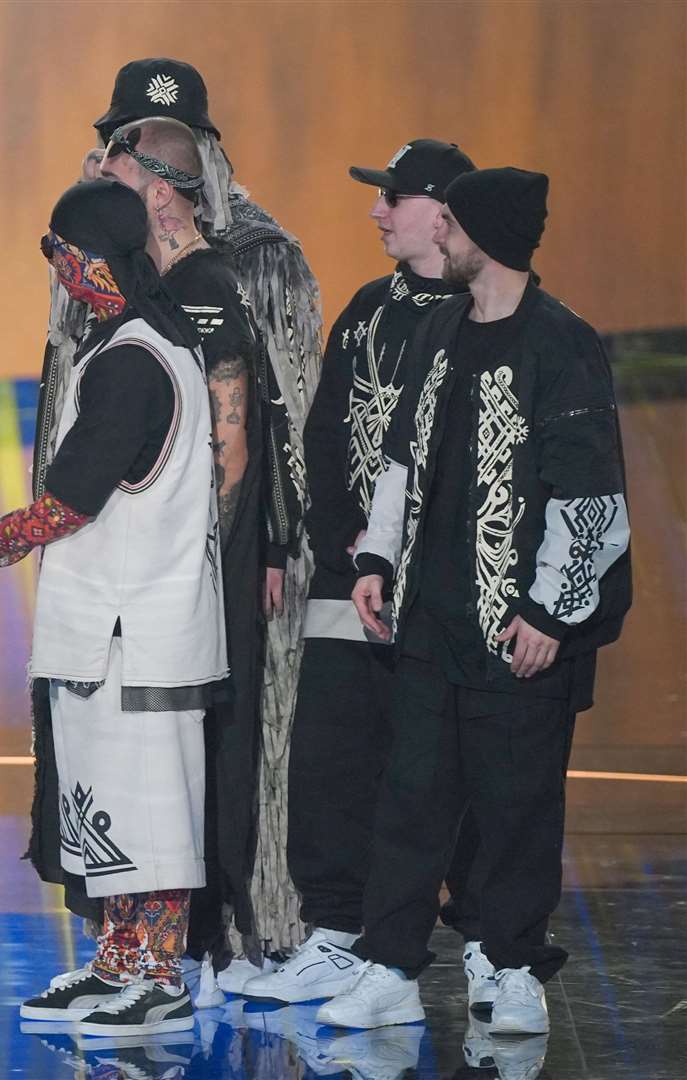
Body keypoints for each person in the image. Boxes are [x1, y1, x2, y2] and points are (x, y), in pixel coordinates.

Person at [319, 168, 631, 1036]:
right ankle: (386, 966)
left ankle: (512, 963)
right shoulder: (441, 332)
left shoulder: (559, 342)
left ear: (483, 234)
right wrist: (376, 557)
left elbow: (590, 496)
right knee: (410, 798)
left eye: (452, 222)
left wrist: (550, 614)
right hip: (430, 618)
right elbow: (398, 461)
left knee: (517, 805)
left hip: (518, 630)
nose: (440, 235)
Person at [0, 180, 224, 1038]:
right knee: (109, 802)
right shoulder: (133, 343)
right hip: (108, 625)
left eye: (58, 253)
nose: (57, 271)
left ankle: (159, 974)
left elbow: (75, 495)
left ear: (88, 258)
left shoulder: (135, 355)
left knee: (152, 801)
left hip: (140, 628)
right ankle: (120, 958)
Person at [88, 57, 326, 984]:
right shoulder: (93, 262)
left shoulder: (260, 258)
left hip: (230, 554)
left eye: (140, 154)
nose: (121, 165)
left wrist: (272, 537)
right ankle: (144, 939)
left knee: (229, 734)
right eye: (116, 148)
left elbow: (285, 415)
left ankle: (237, 926)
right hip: (125, 549)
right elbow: (79, 402)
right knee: (139, 740)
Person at [242, 139, 479, 1007]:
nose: (376, 212)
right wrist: (342, 543)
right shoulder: (370, 308)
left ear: (443, 210)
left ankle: (403, 945)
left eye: (393, 198)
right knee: (329, 756)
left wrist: (409, 557)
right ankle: (335, 931)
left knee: (418, 770)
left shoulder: (474, 316)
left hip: (435, 588)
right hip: (349, 576)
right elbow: (327, 429)